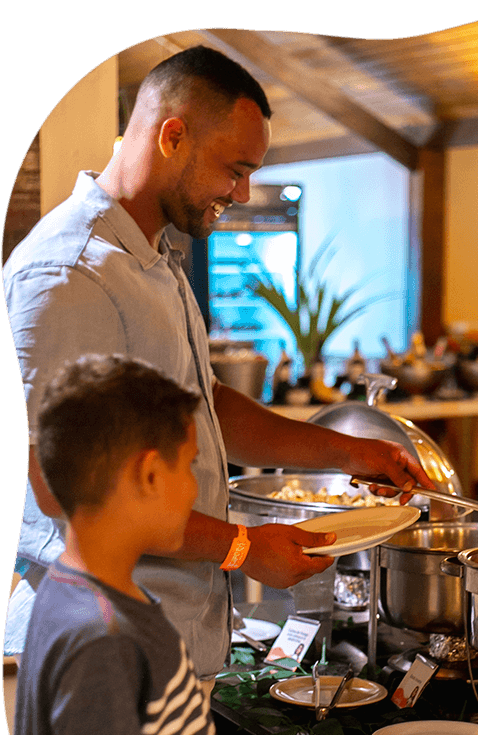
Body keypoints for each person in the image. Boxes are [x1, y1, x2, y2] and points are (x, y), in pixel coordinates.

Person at [4, 44, 432, 679]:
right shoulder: (67, 275)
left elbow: (205, 403)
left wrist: (346, 452)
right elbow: (67, 490)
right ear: (172, 136)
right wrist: (242, 547)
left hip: (169, 643)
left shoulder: (156, 261)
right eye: (234, 169)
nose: (244, 191)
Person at [14, 354, 238, 735]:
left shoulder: (69, 593)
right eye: (188, 467)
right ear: (149, 474)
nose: (194, 489)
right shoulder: (104, 638)